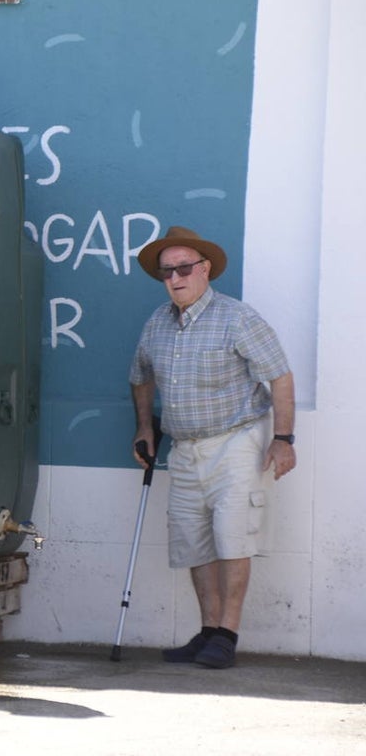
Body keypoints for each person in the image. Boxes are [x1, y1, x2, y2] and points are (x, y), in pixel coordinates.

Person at [129, 226, 295, 669]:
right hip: (183, 447)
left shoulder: (237, 318)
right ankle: (207, 632)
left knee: (232, 537)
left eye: (184, 268)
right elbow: (140, 375)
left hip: (237, 441)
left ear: (204, 270)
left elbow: (279, 375)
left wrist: (283, 439)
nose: (175, 278)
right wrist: (145, 426)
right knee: (193, 541)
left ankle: (227, 633)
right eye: (167, 272)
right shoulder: (157, 323)